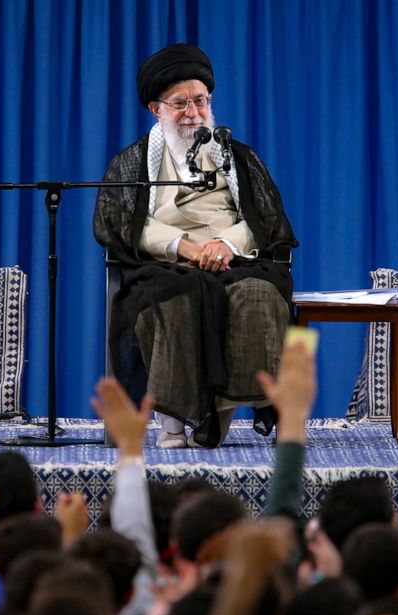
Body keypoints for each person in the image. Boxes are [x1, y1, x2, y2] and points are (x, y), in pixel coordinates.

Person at [93, 43, 298, 449]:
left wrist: (225, 243)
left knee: (257, 295)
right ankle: (173, 424)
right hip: (167, 267)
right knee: (177, 298)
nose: (193, 112)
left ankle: (221, 411)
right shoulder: (131, 163)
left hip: (232, 262)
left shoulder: (238, 157)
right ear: (157, 109)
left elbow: (265, 220)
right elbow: (116, 222)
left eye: (200, 101)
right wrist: (182, 246)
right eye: (180, 103)